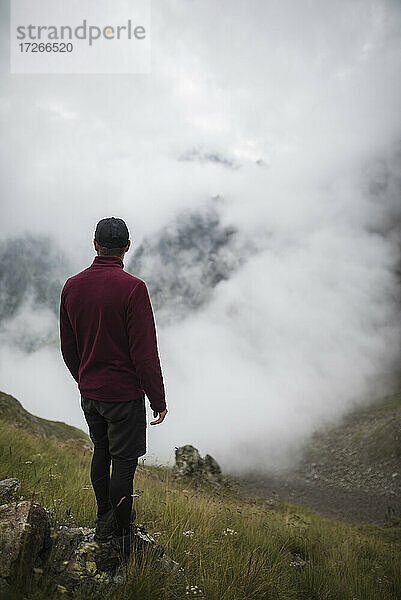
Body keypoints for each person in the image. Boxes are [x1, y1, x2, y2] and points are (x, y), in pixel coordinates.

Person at [59, 216, 168, 547]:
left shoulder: (72, 286)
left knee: (101, 452)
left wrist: (85, 379)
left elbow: (68, 347)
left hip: (90, 395)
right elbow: (144, 353)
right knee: (123, 464)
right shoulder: (133, 289)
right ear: (127, 247)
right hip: (123, 397)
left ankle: (103, 516)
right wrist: (158, 400)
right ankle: (120, 533)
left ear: (95, 244)